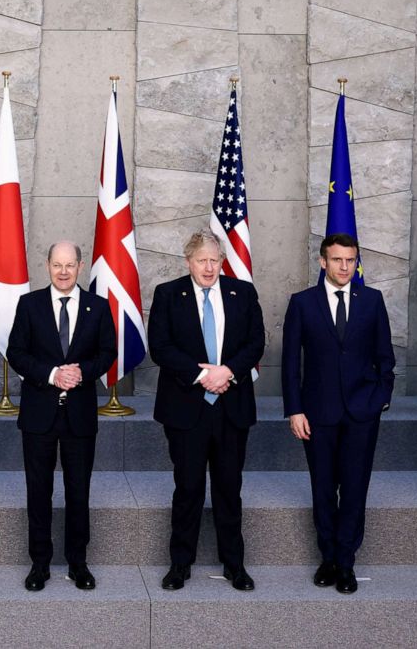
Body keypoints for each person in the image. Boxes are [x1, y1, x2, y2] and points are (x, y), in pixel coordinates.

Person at [148, 229, 264, 591]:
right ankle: (180, 564)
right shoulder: (168, 294)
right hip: (186, 408)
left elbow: (256, 341)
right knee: (188, 488)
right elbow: (161, 347)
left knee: (230, 488)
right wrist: (204, 376)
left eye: (215, 260)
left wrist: (227, 371)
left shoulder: (241, 292)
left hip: (232, 406)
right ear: (188, 261)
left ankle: (235, 565)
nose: (209, 267)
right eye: (202, 260)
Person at [281, 233, 395, 594]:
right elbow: (288, 364)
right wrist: (294, 410)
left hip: (362, 412)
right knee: (323, 488)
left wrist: (380, 399)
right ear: (323, 262)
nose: (345, 267)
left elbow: (386, 358)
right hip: (318, 413)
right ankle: (327, 557)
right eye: (337, 260)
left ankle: (346, 562)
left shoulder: (372, 301)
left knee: (356, 488)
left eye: (351, 260)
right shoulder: (302, 303)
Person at [6, 241, 116, 591]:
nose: (63, 271)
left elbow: (108, 352)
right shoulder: (29, 304)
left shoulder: (97, 307)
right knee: (38, 491)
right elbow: (16, 353)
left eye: (70, 265)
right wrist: (53, 374)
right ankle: (39, 563)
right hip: (39, 414)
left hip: (80, 415)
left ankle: (78, 563)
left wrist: (80, 372)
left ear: (81, 266)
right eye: (57, 264)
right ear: (47, 265)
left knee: (78, 492)